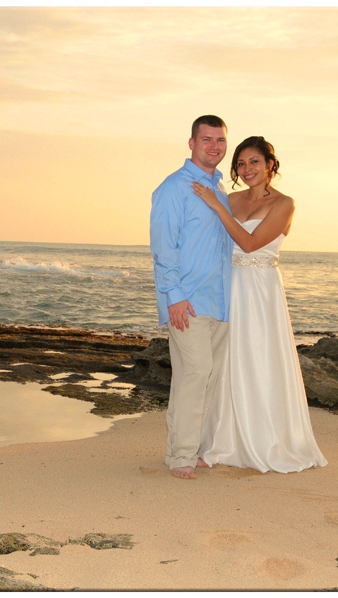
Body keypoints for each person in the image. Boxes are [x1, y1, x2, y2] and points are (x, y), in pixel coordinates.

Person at [191, 136, 327, 473]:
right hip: (228, 285)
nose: (247, 169)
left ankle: (265, 441)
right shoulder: (230, 197)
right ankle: (222, 439)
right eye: (240, 163)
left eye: (254, 162)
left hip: (260, 290)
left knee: (259, 359)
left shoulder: (284, 203)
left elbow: (250, 244)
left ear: (269, 164)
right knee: (226, 362)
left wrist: (217, 206)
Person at [150, 115, 233, 480]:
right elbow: (163, 248)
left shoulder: (221, 194)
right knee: (197, 373)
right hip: (188, 301)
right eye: (207, 139)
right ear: (192, 143)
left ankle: (187, 449)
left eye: (220, 140)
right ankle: (182, 455)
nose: (214, 146)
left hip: (220, 301)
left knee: (202, 377)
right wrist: (175, 297)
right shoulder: (174, 188)